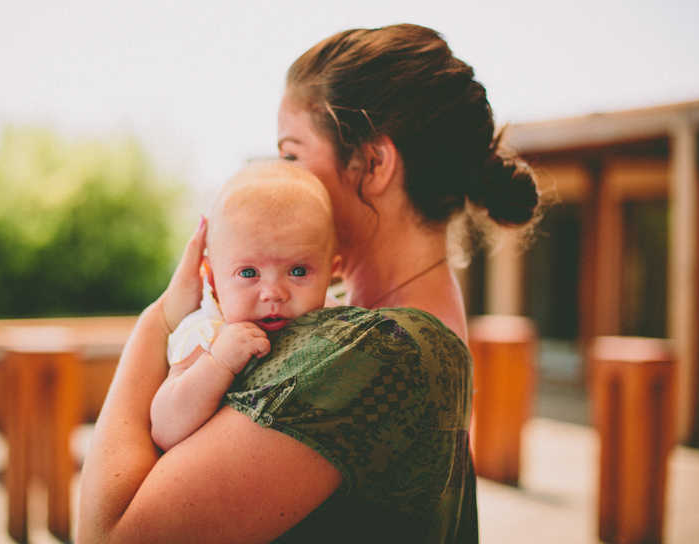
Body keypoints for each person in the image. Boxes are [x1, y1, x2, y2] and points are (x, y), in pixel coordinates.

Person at [77, 23, 540, 544]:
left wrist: (158, 319)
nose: (279, 181)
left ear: (373, 163)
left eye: (293, 155)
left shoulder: (375, 350)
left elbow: (110, 536)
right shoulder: (413, 334)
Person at [150, 161, 340, 451]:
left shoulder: (336, 320)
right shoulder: (208, 332)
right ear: (212, 278)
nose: (273, 294)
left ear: (331, 272)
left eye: (298, 271)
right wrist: (218, 363)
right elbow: (165, 428)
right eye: (249, 273)